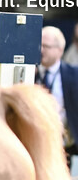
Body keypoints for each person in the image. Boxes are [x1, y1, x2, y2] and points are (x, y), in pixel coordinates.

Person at [38, 26, 78, 166]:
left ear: (60, 50)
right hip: (35, 146)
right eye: (39, 45)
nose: (41, 50)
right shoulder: (29, 73)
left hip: (66, 150)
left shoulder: (73, 75)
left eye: (46, 46)